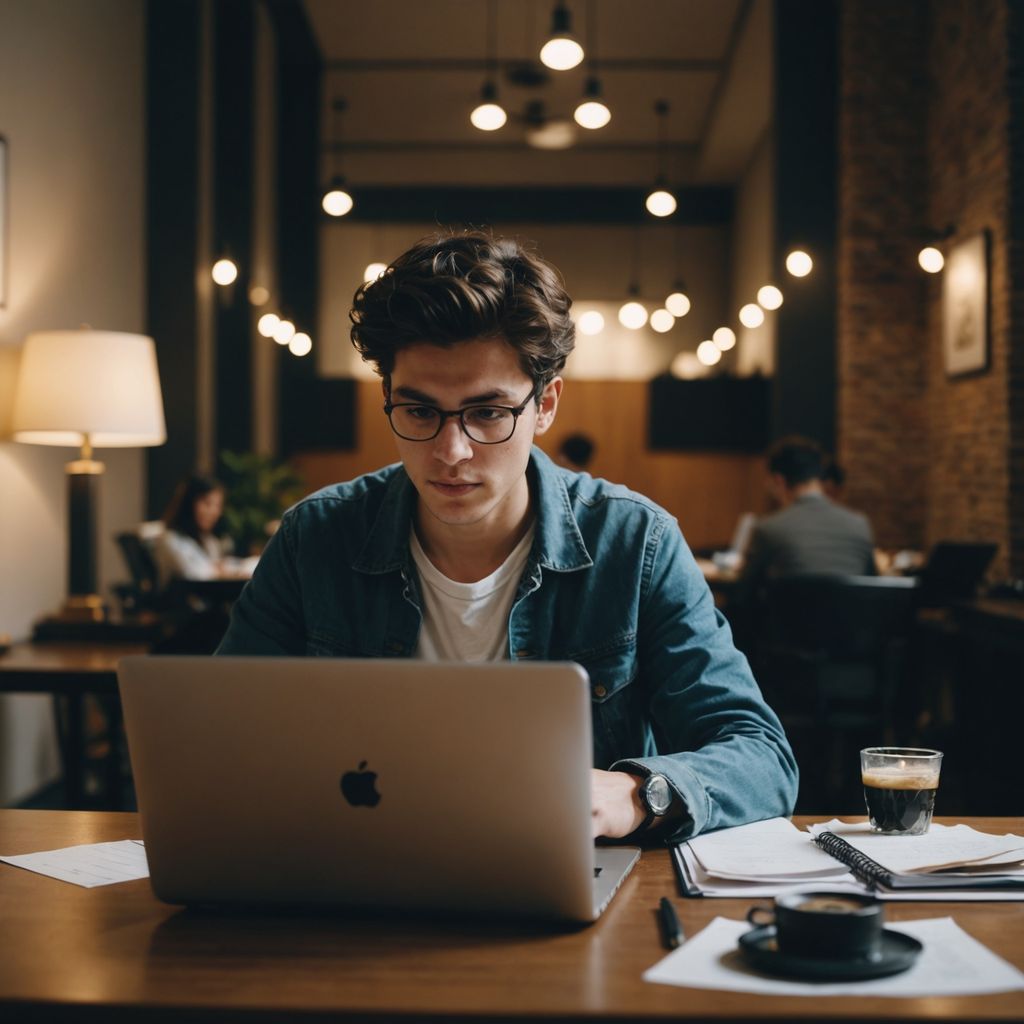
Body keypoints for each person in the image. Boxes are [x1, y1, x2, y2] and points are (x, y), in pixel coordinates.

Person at [217, 230, 797, 842]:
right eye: (419, 412)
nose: (451, 452)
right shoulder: (316, 536)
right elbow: (221, 734)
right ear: (388, 398)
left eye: (487, 413)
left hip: (559, 874)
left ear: (544, 405)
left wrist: (635, 793)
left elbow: (761, 758)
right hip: (352, 867)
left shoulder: (636, 542)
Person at [735, 437, 875, 605]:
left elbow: (744, 594)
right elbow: (873, 586)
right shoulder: (859, 524)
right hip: (852, 628)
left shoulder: (769, 529)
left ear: (779, 481)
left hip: (787, 629)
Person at [154, 474, 253, 589]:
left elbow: (215, 566)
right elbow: (196, 576)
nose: (214, 512)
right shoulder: (171, 539)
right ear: (189, 503)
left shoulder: (207, 539)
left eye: (218, 506)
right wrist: (224, 572)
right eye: (207, 503)